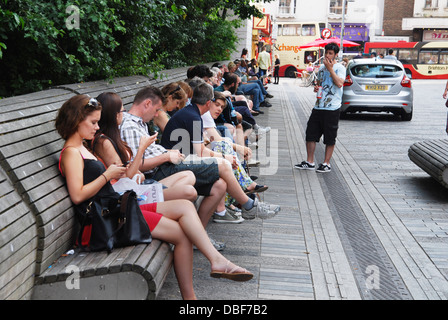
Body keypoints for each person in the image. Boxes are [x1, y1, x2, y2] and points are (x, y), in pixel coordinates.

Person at [55, 94, 253, 300]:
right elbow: (78, 196)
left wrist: (112, 175)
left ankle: (209, 272)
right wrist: (107, 175)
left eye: (97, 122)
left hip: (117, 207)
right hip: (105, 221)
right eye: (93, 122)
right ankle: (201, 284)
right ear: (77, 120)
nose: (97, 127)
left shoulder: (83, 147)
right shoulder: (71, 152)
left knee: (185, 209)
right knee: (182, 230)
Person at [122, 85, 280, 226]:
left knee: (220, 185)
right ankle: (248, 205)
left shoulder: (143, 122)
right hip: (163, 170)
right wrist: (167, 156)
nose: (158, 114)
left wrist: (168, 153)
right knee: (223, 164)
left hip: (172, 162)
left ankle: (200, 233)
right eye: (156, 110)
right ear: (208, 102)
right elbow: (137, 163)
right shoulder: (132, 125)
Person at [93, 91, 197, 202]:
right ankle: (156, 202)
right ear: (114, 114)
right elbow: (125, 178)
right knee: (189, 193)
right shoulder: (103, 142)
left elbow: (128, 170)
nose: (124, 114)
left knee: (189, 176)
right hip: (130, 193)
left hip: (139, 185)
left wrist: (137, 171)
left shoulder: (112, 137)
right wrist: (142, 149)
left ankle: (162, 200)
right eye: (122, 111)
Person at [294, 42, 346, 173]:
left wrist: (331, 69)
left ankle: (326, 163)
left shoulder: (340, 68)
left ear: (336, 55)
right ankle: (309, 161)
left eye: (330, 53)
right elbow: (319, 84)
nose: (328, 55)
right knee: (310, 133)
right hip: (319, 106)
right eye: (326, 53)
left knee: (330, 136)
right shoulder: (322, 68)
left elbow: (340, 83)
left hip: (332, 107)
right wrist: (316, 87)